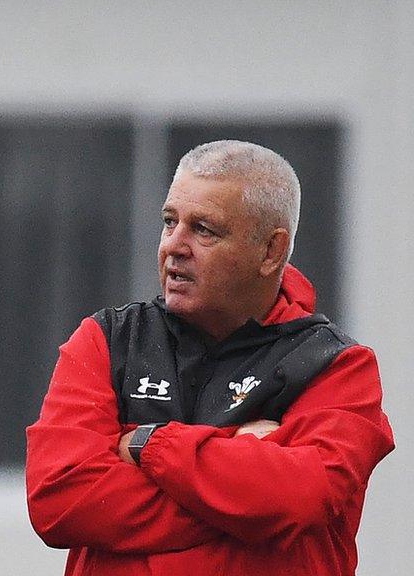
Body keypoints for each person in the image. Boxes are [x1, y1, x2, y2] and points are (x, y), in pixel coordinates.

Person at [26, 140, 394, 576]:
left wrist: (148, 444)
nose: (174, 247)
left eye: (204, 229)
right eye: (169, 223)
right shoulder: (107, 341)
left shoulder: (337, 367)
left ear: (271, 251)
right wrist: (241, 493)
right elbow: (60, 499)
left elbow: (298, 498)